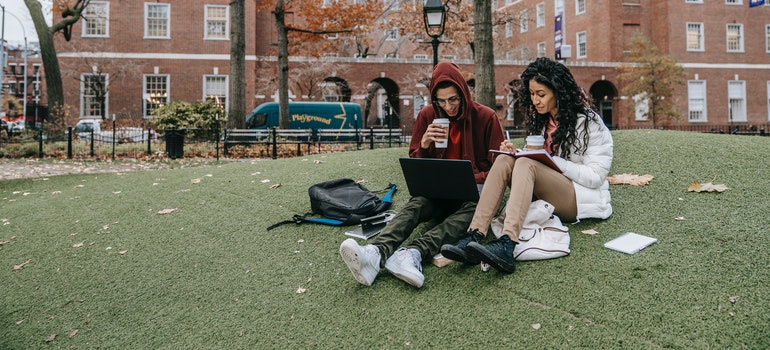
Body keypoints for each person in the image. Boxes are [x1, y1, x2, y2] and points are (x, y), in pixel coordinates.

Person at [441, 57, 614, 273]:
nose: (535, 100)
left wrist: (549, 161)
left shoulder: (589, 122)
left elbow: (596, 176)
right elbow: (536, 161)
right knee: (505, 159)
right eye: (532, 94)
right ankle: (473, 234)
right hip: (543, 190)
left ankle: (507, 243)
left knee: (526, 164)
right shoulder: (541, 121)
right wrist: (516, 152)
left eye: (541, 95)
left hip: (577, 197)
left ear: (559, 92)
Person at [339, 62, 505, 288]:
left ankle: (412, 253)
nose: (448, 106)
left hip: (472, 193)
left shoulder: (486, 117)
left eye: (454, 99)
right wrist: (425, 144)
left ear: (464, 94)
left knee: (474, 210)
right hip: (438, 192)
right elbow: (416, 164)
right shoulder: (428, 115)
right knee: (417, 203)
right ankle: (375, 252)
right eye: (441, 100)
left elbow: (499, 168)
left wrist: (472, 177)